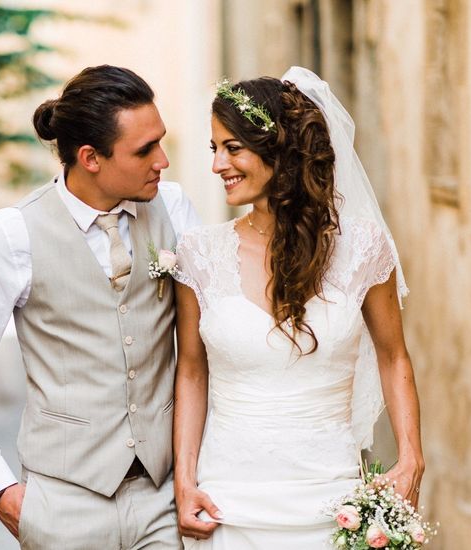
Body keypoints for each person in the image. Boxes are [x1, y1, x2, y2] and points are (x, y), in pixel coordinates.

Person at [0, 64, 199, 549]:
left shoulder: (174, 209)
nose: (163, 161)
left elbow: (205, 346)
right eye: (145, 150)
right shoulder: (12, 236)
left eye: (161, 141)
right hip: (63, 506)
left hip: (163, 499)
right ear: (91, 157)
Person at [171, 67, 424, 548]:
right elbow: (191, 372)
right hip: (227, 499)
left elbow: (394, 356)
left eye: (232, 147)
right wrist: (185, 481)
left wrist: (412, 456)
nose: (217, 164)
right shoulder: (198, 255)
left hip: (331, 494)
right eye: (213, 148)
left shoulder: (364, 249)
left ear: (279, 150)